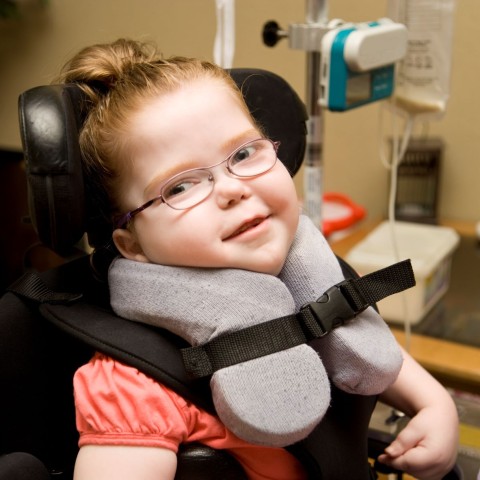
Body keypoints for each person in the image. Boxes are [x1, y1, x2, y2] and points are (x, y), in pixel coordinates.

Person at [56, 39, 459, 480]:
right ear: (132, 245)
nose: (232, 189)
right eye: (180, 187)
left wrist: (435, 405)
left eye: (244, 153)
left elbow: (362, 344)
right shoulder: (133, 383)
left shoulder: (315, 281)